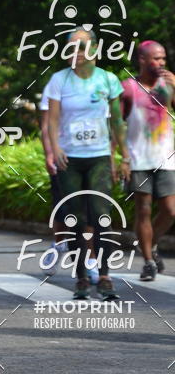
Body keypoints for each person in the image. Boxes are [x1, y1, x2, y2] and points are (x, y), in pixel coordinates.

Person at [47, 29, 129, 300]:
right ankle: (82, 277)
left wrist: (124, 156)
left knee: (101, 215)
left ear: (94, 49)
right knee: (76, 219)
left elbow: (117, 121)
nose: (76, 51)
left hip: (99, 157)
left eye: (81, 46)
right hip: (69, 158)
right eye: (70, 47)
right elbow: (52, 120)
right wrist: (56, 148)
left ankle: (104, 276)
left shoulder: (108, 80)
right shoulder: (59, 80)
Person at [121, 41, 175, 281]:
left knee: (171, 211)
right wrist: (120, 158)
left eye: (163, 58)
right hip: (138, 159)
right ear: (142, 60)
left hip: (165, 158)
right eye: (156, 58)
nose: (161, 63)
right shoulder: (129, 88)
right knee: (143, 210)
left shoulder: (169, 85)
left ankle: (151, 244)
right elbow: (115, 125)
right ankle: (149, 262)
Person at [39, 79, 100, 284]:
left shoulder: (100, 84)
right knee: (63, 211)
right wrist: (49, 153)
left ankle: (91, 261)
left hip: (91, 158)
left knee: (88, 210)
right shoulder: (56, 84)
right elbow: (47, 126)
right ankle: (58, 245)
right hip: (63, 158)